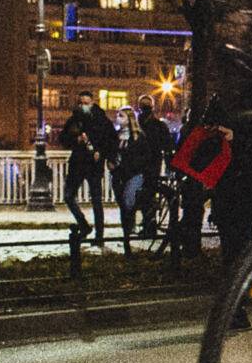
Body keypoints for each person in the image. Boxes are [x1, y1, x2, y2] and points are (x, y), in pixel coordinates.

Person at [63, 91, 118, 248]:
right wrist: (76, 139)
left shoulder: (101, 120)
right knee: (68, 196)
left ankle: (99, 236)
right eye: (81, 103)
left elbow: (111, 140)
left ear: (92, 103)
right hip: (77, 163)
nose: (83, 106)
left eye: (86, 103)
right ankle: (84, 225)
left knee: (96, 200)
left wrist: (103, 154)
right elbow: (64, 138)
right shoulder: (74, 119)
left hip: (94, 164)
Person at [113, 106, 173, 252]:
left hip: (134, 174)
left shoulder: (139, 137)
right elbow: (112, 151)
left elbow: (145, 156)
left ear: (129, 118)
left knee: (128, 202)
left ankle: (130, 231)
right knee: (123, 205)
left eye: (121, 116)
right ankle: (126, 236)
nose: (118, 118)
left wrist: (133, 165)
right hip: (119, 175)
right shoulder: (117, 136)